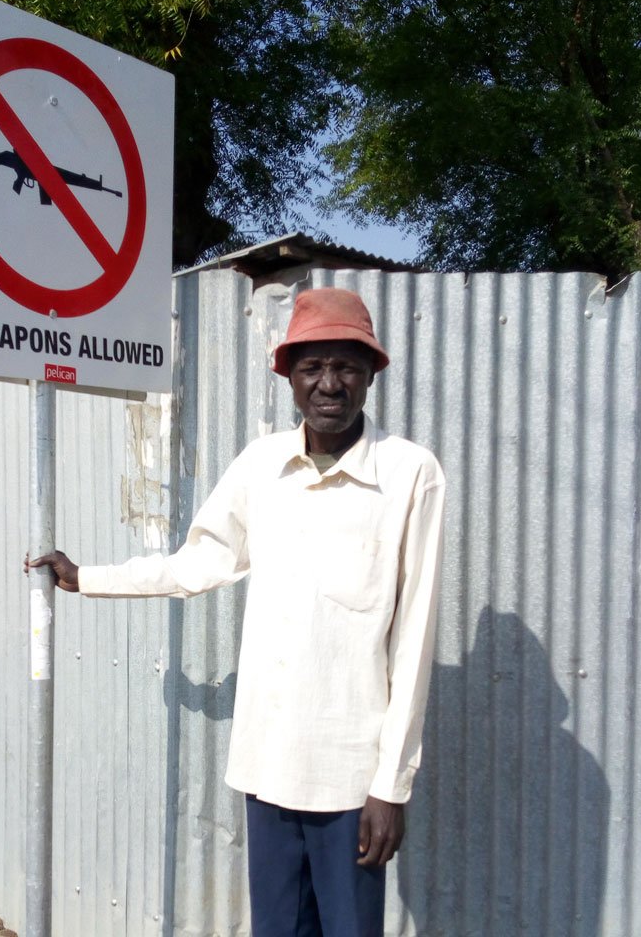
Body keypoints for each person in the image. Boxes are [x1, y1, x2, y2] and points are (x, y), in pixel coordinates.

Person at [29, 288, 446, 937]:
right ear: (289, 377)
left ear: (371, 374)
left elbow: (413, 640)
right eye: (312, 367)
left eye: (346, 366)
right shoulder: (262, 465)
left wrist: (390, 785)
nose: (329, 384)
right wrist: (89, 579)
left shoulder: (410, 473)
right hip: (269, 763)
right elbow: (195, 564)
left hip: (350, 776)